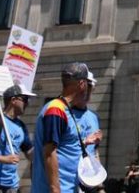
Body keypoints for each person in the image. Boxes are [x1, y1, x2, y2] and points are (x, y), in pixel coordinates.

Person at [32, 62, 92, 193]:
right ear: (82, 84)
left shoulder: (65, 109)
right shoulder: (56, 109)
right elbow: (49, 152)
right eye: (88, 83)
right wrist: (55, 189)